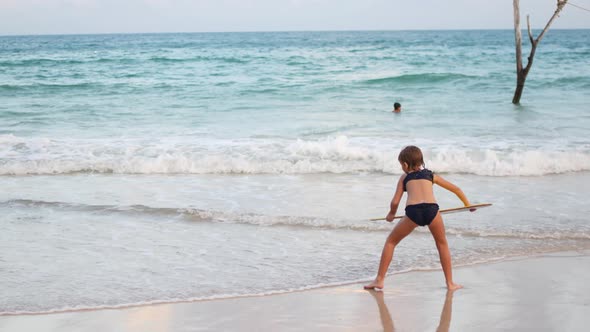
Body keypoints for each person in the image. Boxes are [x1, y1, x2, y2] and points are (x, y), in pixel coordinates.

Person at [364, 145, 471, 291]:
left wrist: (391, 214)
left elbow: (395, 201)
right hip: (432, 211)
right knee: (442, 244)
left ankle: (380, 280)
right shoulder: (431, 175)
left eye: (401, 165)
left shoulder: (404, 178)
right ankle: (450, 283)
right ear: (421, 161)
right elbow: (456, 189)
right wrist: (467, 205)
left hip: (413, 213)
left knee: (391, 242)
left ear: (405, 164)